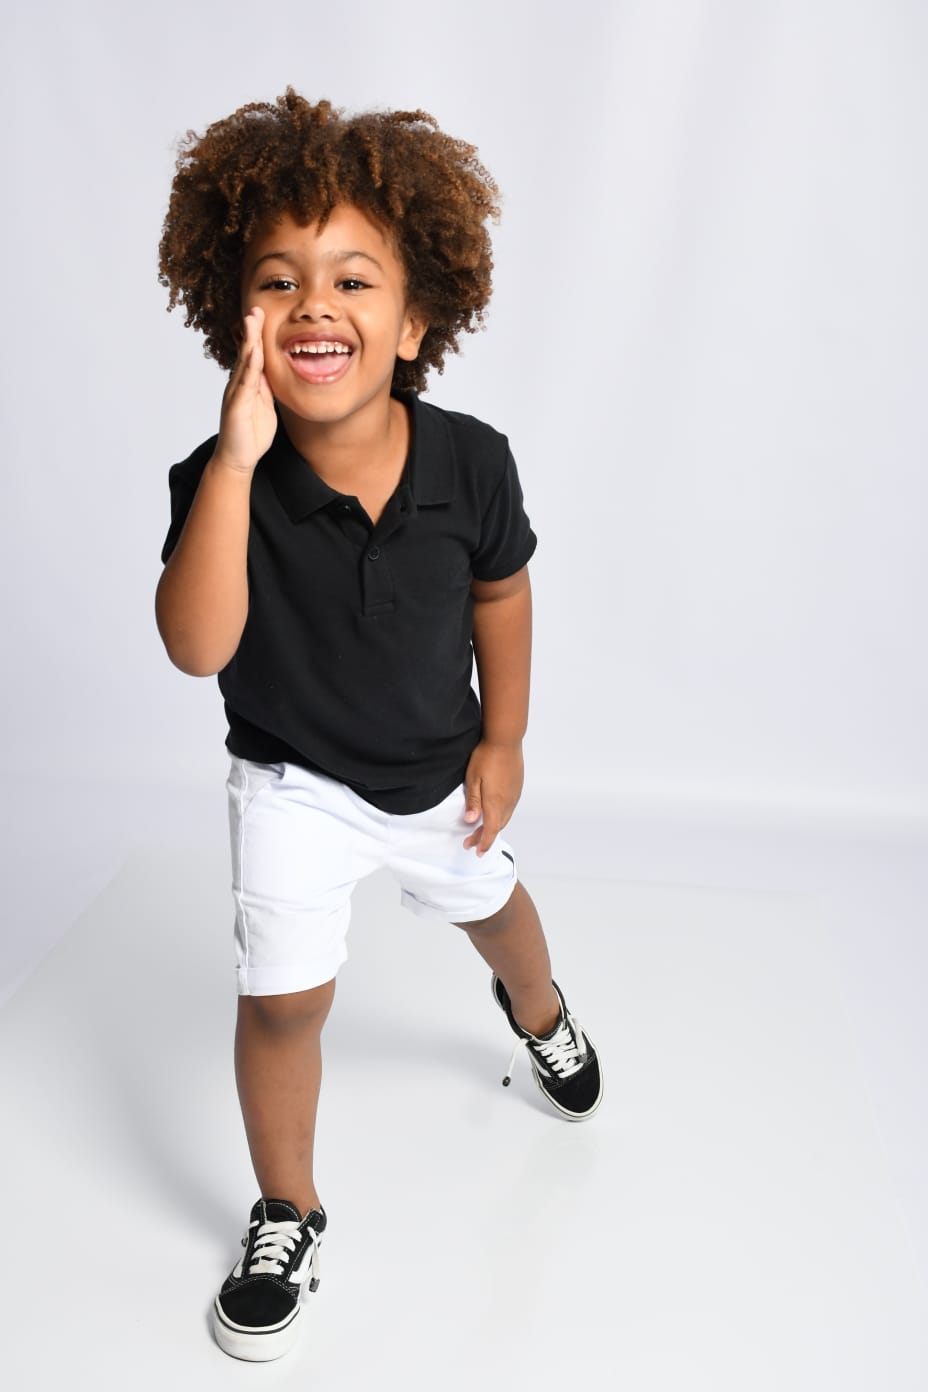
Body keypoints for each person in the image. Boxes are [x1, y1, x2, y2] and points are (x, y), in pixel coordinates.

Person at [156, 89, 602, 1363]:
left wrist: (503, 739)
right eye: (279, 280)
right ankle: (287, 1211)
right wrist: (234, 462)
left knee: (499, 915)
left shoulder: (472, 462)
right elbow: (196, 647)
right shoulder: (219, 478)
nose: (315, 303)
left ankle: (539, 1014)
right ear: (238, 319)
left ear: (412, 323)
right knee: (285, 1001)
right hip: (291, 782)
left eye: (352, 279)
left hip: (435, 774)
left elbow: (501, 591)